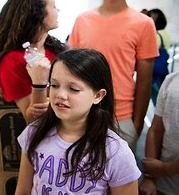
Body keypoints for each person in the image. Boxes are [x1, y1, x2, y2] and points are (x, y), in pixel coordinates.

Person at [68, 0, 158, 152]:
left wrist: (136, 125)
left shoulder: (143, 24)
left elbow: (145, 80)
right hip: (83, 114)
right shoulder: (83, 20)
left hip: (121, 118)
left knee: (119, 183)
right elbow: (71, 71)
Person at [15, 49, 141, 195]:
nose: (60, 95)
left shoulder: (115, 152)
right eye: (54, 85)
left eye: (73, 89)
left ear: (98, 96)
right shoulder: (34, 133)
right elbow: (23, 190)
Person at [0, 0, 65, 124]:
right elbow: (32, 119)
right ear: (39, 15)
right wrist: (39, 83)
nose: (58, 10)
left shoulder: (54, 49)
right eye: (54, 6)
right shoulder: (12, 61)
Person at [139, 72, 179, 195]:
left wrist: (164, 169)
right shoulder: (171, 80)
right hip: (163, 185)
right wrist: (150, 178)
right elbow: (155, 131)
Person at [145, 8, 171, 106]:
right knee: (159, 101)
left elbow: (149, 52)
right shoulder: (165, 34)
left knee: (157, 102)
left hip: (154, 73)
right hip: (161, 71)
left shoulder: (155, 35)